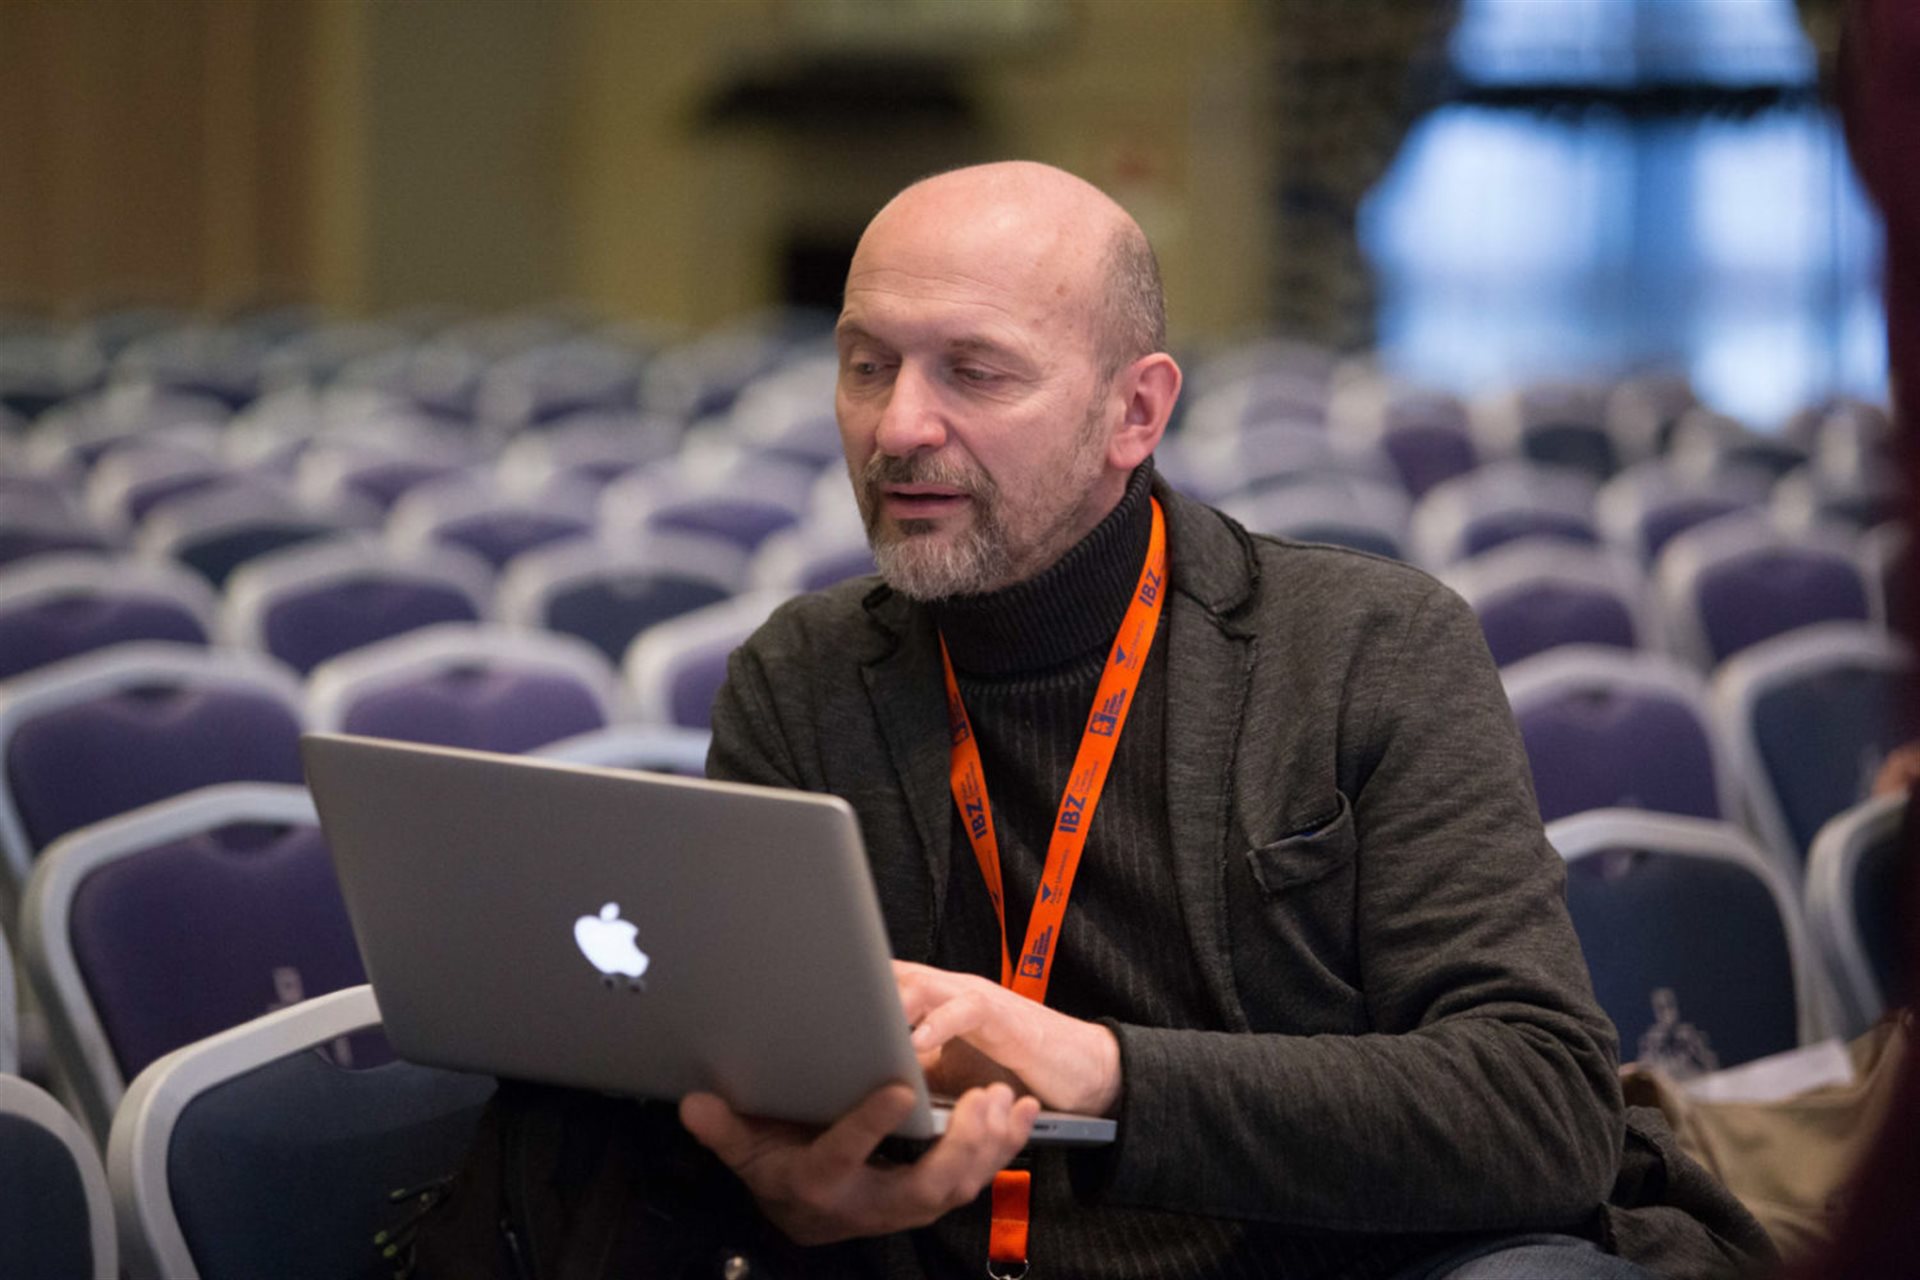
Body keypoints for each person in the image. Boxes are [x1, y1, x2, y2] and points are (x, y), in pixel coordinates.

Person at [413, 162, 1769, 1279]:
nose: (898, 426)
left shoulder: (1369, 648)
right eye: (867, 365)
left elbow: (1538, 1108)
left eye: (975, 373)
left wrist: (1104, 1072)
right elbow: (771, 1081)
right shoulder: (803, 677)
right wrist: (787, 1191)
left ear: (1135, 411)